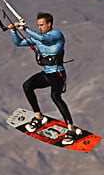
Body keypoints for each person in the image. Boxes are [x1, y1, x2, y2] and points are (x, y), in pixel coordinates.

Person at [8, 12, 84, 145]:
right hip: (46, 74)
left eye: (42, 25)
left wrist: (25, 28)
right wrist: (13, 31)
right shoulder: (37, 38)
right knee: (27, 86)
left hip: (57, 74)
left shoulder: (56, 35)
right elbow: (18, 43)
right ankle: (38, 116)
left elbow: (44, 40)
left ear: (49, 24)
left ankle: (71, 129)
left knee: (55, 96)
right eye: (38, 25)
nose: (40, 28)